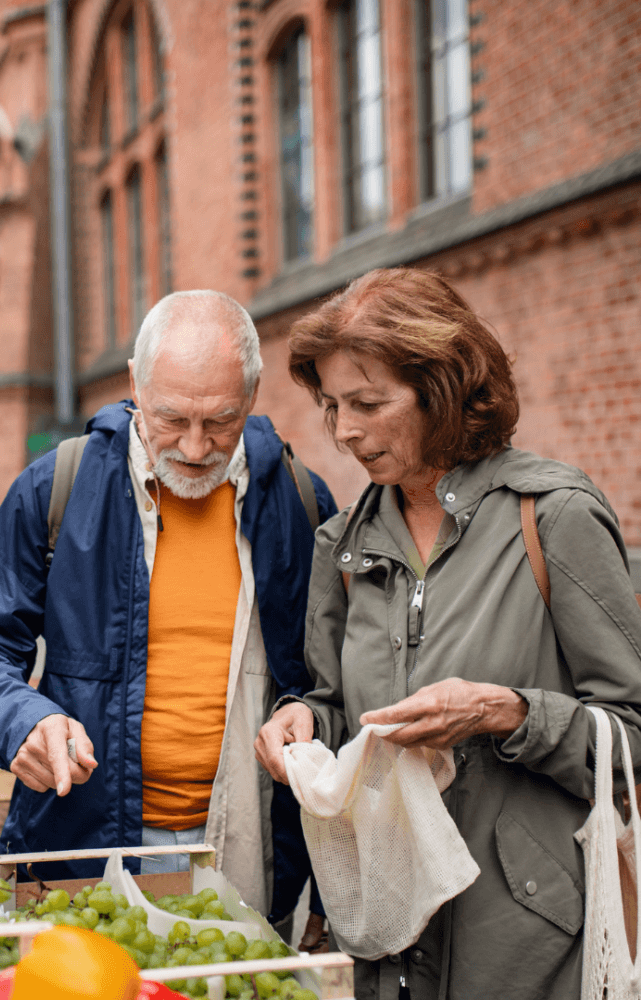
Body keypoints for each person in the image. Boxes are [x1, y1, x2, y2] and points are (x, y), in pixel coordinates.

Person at [254, 267, 641, 998]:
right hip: (389, 943)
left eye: (368, 403)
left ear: (443, 389)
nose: (343, 431)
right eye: (333, 405)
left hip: (531, 946)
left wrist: (509, 714)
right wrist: (301, 720)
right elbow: (338, 707)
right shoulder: (341, 544)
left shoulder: (552, 516)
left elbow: (632, 735)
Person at [0, 290, 337, 928]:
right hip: (83, 849)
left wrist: (309, 711)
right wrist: (19, 720)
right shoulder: (54, 488)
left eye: (219, 422)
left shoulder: (303, 503)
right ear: (135, 381)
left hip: (247, 857)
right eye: (170, 418)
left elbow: (334, 681)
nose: (193, 446)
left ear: (254, 395)